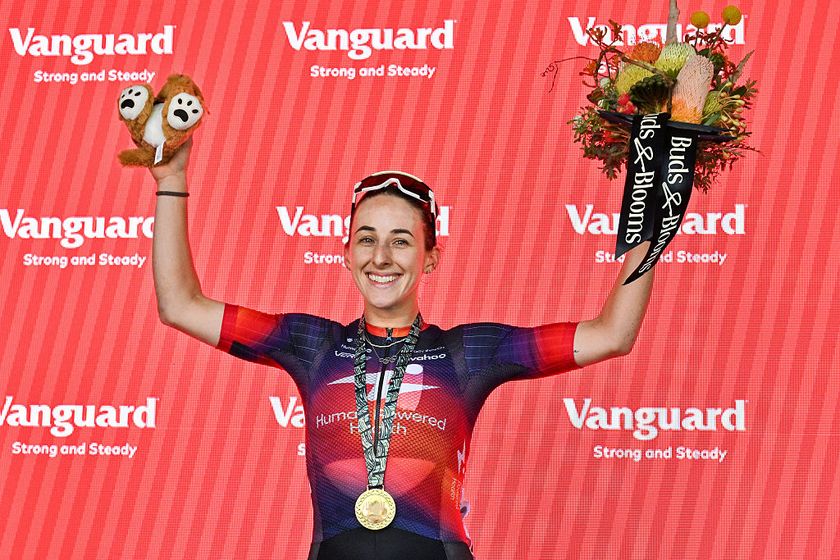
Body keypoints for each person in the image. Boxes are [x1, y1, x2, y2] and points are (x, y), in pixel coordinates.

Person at [151, 139, 654, 560]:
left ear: (431, 258)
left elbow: (612, 333)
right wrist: (171, 179)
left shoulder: (468, 352)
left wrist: (655, 204)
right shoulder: (312, 345)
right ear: (345, 255)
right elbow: (180, 304)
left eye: (401, 241)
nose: (381, 258)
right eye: (366, 240)